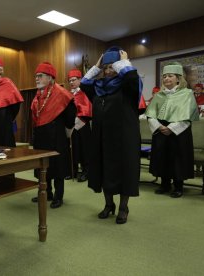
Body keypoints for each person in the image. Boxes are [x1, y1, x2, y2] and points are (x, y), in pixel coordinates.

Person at [80, 46, 142, 224]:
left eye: (112, 67)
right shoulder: (97, 87)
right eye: (106, 68)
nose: (108, 71)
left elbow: (131, 76)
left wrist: (123, 62)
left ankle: (123, 207)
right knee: (104, 170)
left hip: (124, 139)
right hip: (102, 138)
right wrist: (97, 66)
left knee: (124, 172)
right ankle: (109, 205)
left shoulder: (128, 86)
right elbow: (84, 83)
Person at [145, 63, 199, 198]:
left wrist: (172, 128)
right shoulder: (158, 95)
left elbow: (188, 116)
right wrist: (159, 126)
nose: (166, 79)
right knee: (162, 156)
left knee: (177, 157)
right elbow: (150, 114)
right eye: (164, 76)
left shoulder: (187, 94)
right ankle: (164, 184)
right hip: (161, 129)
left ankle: (178, 186)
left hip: (179, 131)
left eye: (170, 76)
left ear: (178, 78)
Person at [30, 62, 76, 208]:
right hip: (41, 136)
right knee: (43, 166)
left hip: (56, 136)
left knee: (57, 166)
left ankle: (58, 196)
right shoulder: (37, 96)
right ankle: (47, 192)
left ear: (50, 78)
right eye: (36, 76)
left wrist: (66, 130)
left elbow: (70, 115)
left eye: (40, 76)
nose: (37, 79)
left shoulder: (62, 94)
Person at [66, 69, 92, 182]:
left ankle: (86, 172)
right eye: (70, 80)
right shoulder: (68, 94)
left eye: (74, 80)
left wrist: (77, 122)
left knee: (85, 149)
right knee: (73, 149)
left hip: (82, 125)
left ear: (80, 79)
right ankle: (73, 171)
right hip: (71, 126)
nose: (71, 82)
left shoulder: (84, 93)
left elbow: (87, 108)